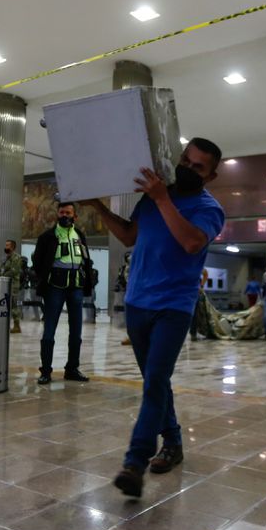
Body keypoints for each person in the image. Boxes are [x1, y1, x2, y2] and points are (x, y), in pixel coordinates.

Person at [82, 137, 225, 497]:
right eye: (186, 161)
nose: (187, 169)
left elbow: (191, 242)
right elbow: (129, 235)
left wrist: (163, 199)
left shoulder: (209, 208)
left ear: (211, 176)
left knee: (156, 380)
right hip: (137, 303)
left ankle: (135, 461)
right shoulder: (154, 196)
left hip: (173, 307)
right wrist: (98, 207)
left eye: (198, 167)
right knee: (155, 381)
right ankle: (173, 441)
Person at [32, 202, 92, 385]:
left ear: (75, 216)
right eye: (61, 212)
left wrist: (88, 281)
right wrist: (45, 278)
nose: (64, 215)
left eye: (68, 212)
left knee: (76, 331)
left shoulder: (79, 235)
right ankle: (46, 371)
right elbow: (37, 262)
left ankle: (72, 369)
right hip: (54, 288)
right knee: (49, 330)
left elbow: (85, 259)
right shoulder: (47, 236)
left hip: (76, 286)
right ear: (57, 214)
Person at [0, 239, 25, 333]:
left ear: (13, 247)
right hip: (5, 284)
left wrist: (2, 276)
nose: (6, 247)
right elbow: (0, 269)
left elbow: (14, 271)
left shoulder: (17, 258)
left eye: (8, 245)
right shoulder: (5, 259)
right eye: (5, 245)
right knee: (6, 305)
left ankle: (17, 325)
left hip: (13, 285)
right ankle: (6, 324)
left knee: (14, 305)